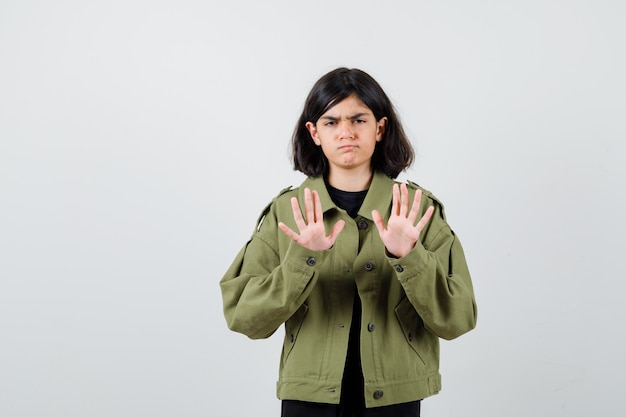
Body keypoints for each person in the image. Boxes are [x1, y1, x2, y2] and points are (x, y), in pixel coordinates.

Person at [220, 67, 477, 417]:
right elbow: (243, 316)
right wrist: (302, 259)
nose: (346, 133)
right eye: (331, 122)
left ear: (379, 128)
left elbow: (458, 318)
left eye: (358, 120)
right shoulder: (287, 212)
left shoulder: (418, 211)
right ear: (314, 132)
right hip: (309, 398)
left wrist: (409, 256)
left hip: (395, 398)